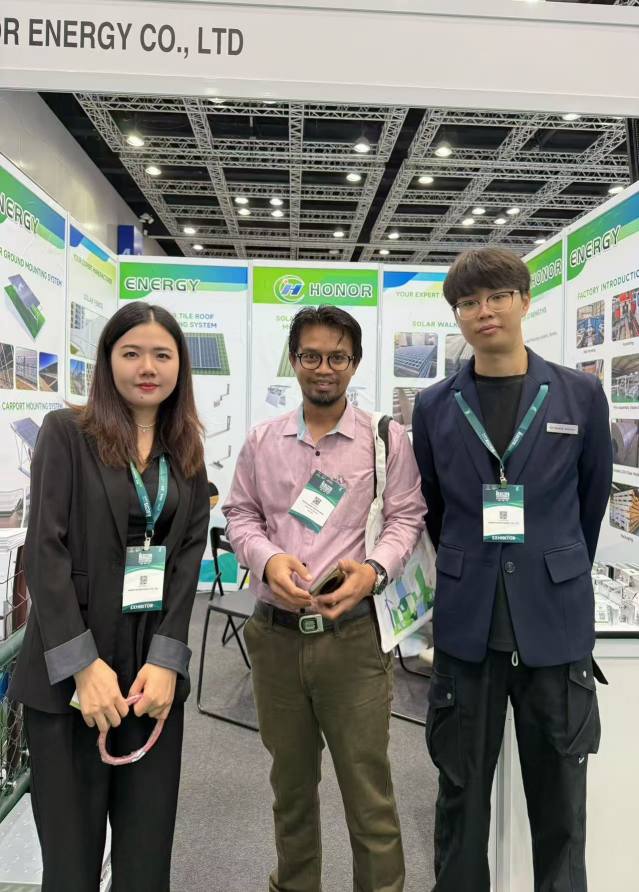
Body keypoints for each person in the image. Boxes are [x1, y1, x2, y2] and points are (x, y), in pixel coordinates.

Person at [412, 248, 612, 892]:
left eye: (497, 296)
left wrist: (552, 567)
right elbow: (435, 508)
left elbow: (591, 501)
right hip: (468, 627)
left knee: (561, 808)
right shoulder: (434, 405)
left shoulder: (580, 394)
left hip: (554, 624)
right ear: (457, 316)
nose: (484, 311)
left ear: (525, 301)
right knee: (460, 800)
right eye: (468, 303)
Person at [223, 305, 426, 892]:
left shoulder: (385, 439)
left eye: (337, 357)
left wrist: (375, 571)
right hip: (276, 638)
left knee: (369, 796)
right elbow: (241, 514)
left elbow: (406, 516)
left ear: (354, 363)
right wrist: (267, 559)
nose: (323, 368)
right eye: (311, 356)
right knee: (290, 792)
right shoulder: (263, 441)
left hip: (353, 640)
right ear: (294, 360)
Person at [9, 302, 209, 892]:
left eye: (162, 355)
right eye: (132, 353)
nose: (147, 367)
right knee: (70, 868)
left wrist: (167, 661)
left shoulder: (186, 448)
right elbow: (44, 553)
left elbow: (187, 560)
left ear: (179, 366)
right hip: (72, 681)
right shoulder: (66, 433)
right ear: (107, 359)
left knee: (146, 864)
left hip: (151, 681)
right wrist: (83, 666)